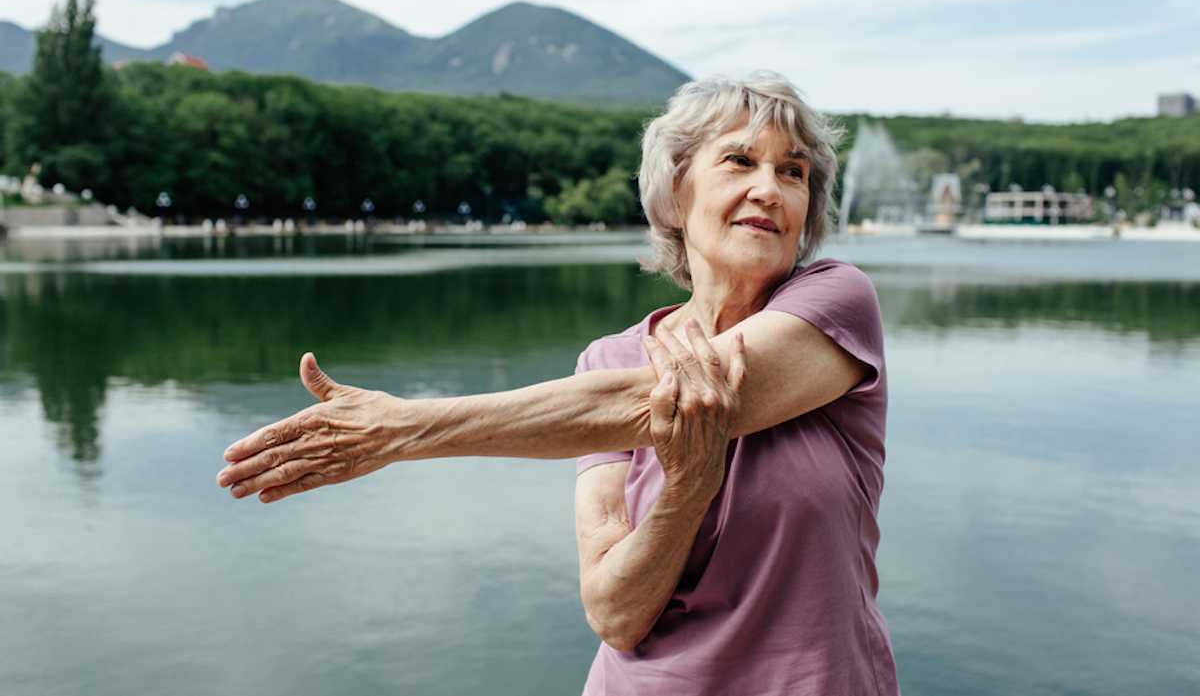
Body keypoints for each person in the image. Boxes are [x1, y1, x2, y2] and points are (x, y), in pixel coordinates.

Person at [216, 70, 899, 696]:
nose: (770, 189)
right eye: (740, 161)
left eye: (794, 172)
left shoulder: (838, 303)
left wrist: (403, 428)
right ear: (676, 189)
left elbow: (668, 399)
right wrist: (686, 492)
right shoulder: (607, 358)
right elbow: (615, 613)